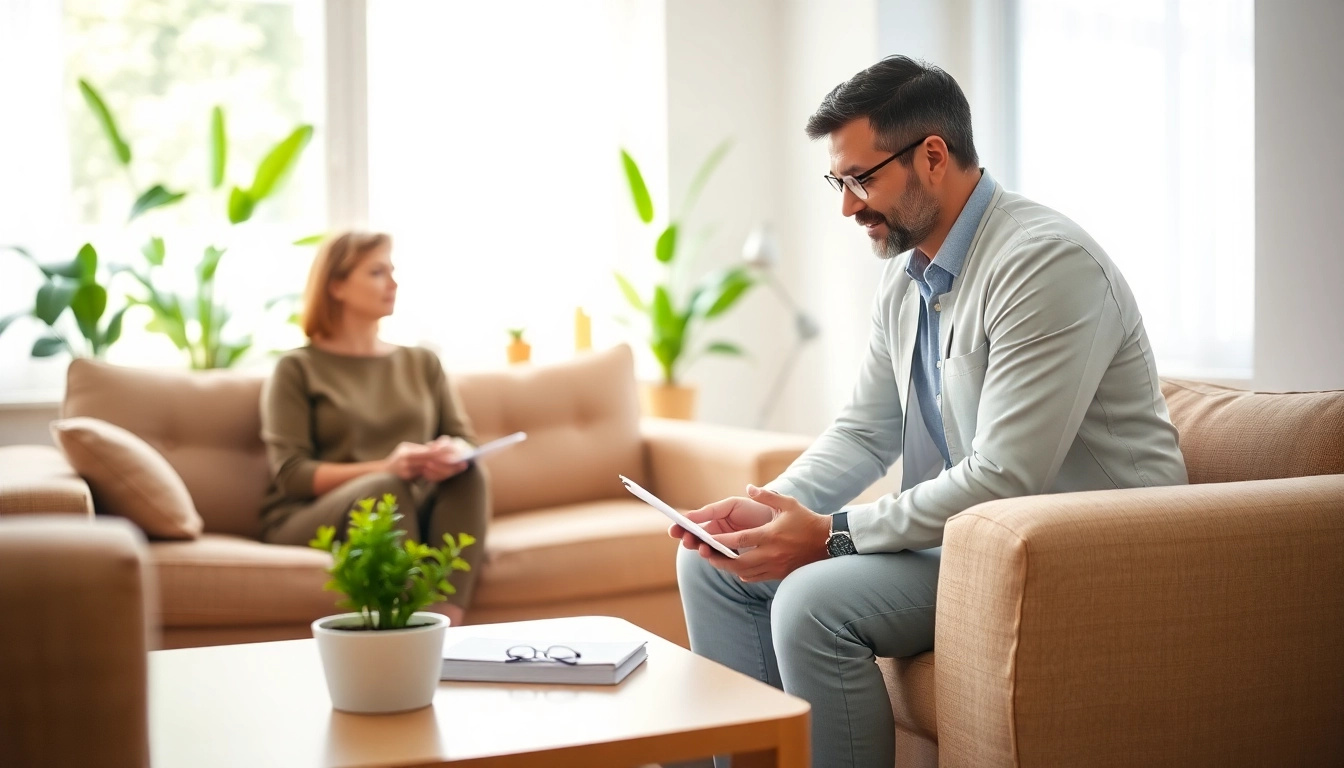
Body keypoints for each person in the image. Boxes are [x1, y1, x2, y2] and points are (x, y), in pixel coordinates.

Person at [671, 55, 1188, 767]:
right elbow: (865, 429)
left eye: (861, 179)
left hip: (1077, 548)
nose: (847, 205)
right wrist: (771, 508)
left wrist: (831, 536)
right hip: (972, 539)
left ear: (933, 156)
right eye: (838, 180)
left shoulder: (1043, 264)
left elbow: (1007, 475)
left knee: (812, 602)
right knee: (713, 566)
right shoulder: (907, 278)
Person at [260, 232, 489, 627]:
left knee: (469, 471)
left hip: (410, 498)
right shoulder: (296, 369)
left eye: (393, 271)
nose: (393, 283)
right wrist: (387, 467)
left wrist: (450, 453)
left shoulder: (422, 362)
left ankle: (444, 629)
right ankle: (405, 630)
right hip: (316, 514)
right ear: (336, 285)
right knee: (385, 490)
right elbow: (291, 475)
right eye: (377, 272)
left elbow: (463, 436)